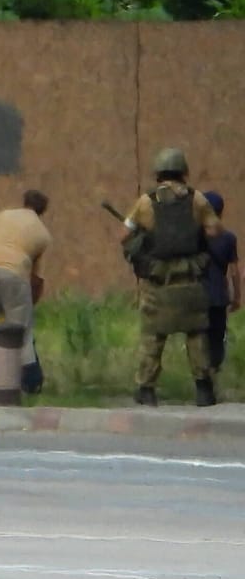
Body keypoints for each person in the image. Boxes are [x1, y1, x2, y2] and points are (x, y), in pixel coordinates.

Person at [123, 148, 223, 406]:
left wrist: (145, 237)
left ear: (158, 173)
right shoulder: (197, 199)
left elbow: (124, 236)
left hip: (159, 282)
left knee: (154, 337)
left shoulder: (145, 202)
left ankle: (146, 390)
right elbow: (214, 231)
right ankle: (204, 390)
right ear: (183, 171)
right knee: (196, 335)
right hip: (190, 279)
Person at [0, 190, 52, 384]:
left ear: (24, 202)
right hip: (16, 272)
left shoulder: (1, 217)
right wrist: (30, 303)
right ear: (43, 211)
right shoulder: (42, 233)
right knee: (20, 331)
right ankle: (30, 382)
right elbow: (37, 279)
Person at [202, 192, 240, 372]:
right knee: (217, 336)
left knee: (200, 335)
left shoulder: (196, 237)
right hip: (219, 295)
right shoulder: (229, 238)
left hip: (198, 294)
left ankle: (202, 374)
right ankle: (213, 370)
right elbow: (234, 272)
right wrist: (237, 296)